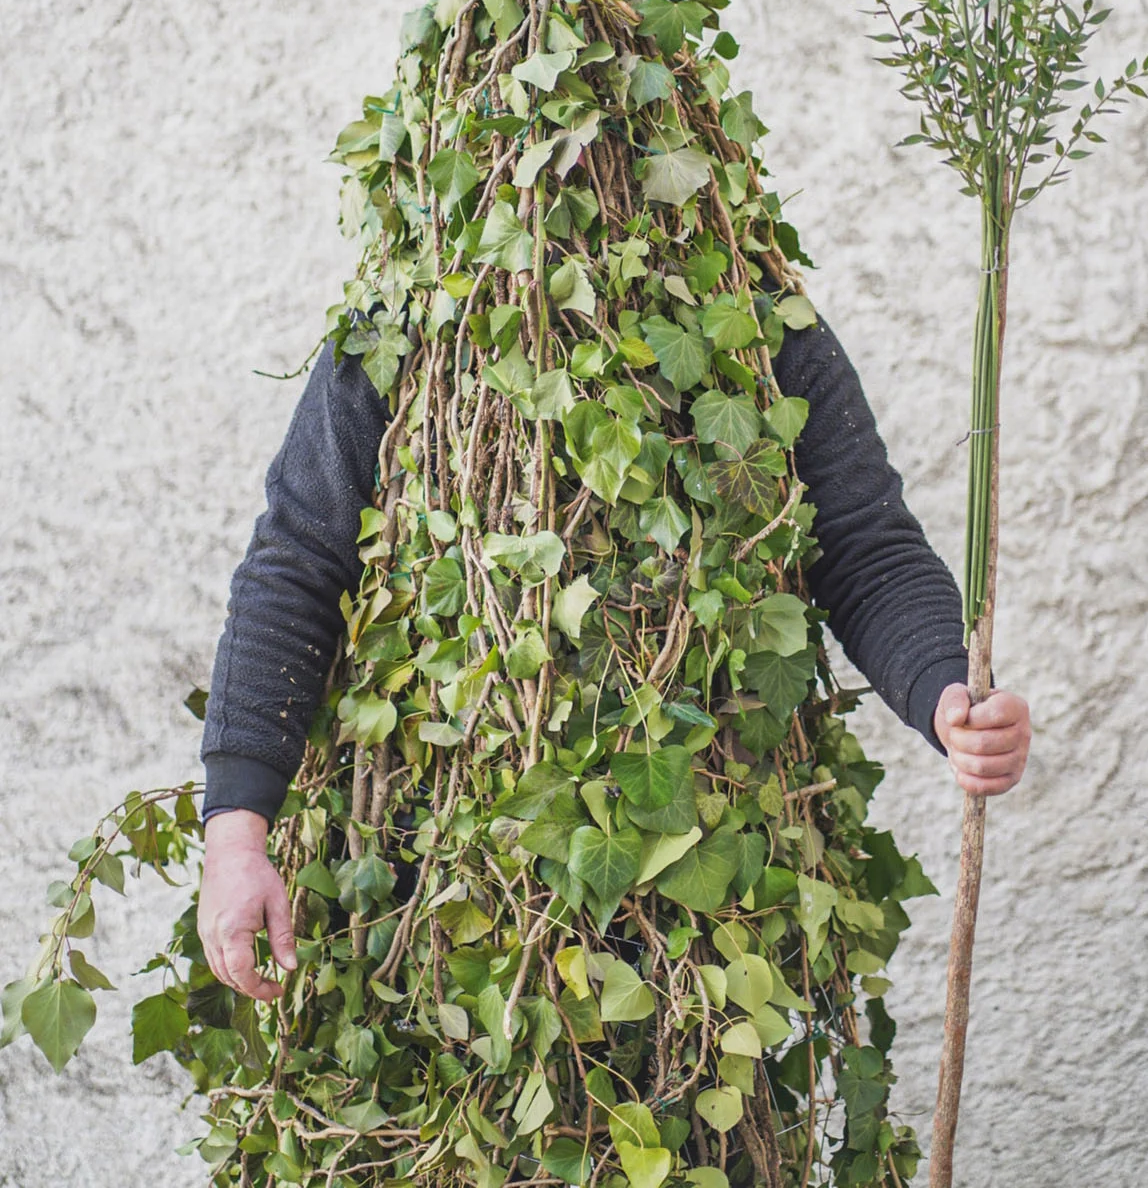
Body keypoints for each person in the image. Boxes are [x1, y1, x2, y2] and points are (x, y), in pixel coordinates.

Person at [197, 308, 1031, 1002]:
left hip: (701, 911)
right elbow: (297, 567)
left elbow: (861, 549)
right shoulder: (404, 329)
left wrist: (944, 694)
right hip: (440, 906)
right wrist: (236, 835)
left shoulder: (755, 322)